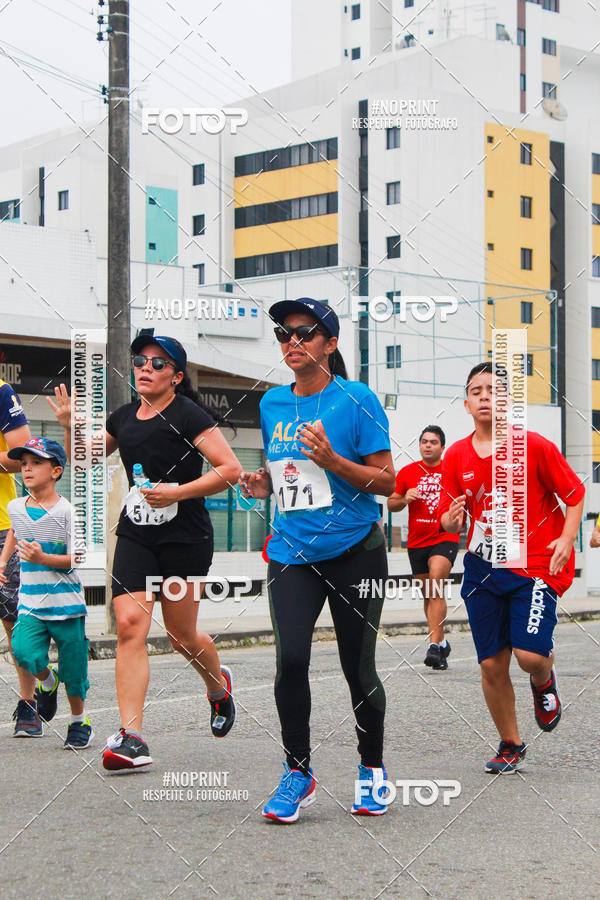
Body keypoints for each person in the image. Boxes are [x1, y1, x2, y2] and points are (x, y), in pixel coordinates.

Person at [48, 332, 242, 770]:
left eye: (158, 363)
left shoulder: (188, 415)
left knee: (181, 636)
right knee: (130, 625)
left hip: (185, 538)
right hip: (137, 534)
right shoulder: (122, 417)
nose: (145, 369)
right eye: (140, 361)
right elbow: (85, 459)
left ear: (176, 376)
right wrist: (70, 425)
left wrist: (177, 492)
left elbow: (230, 469)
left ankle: (217, 686)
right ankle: (131, 737)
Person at [239, 298, 395, 822]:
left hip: (356, 553)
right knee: (290, 661)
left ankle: (371, 769)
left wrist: (333, 461)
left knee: (357, 667)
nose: (292, 342)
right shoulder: (272, 404)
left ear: (329, 343)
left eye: (304, 332)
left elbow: (388, 481)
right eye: (284, 333)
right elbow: (285, 475)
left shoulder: (357, 399)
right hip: (291, 554)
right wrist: (263, 485)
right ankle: (297, 772)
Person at [439, 362, 585, 774]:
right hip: (483, 568)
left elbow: (575, 493)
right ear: (466, 404)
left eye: (494, 390)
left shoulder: (533, 446)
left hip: (534, 565)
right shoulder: (456, 455)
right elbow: (449, 521)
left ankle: (544, 677)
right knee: (491, 664)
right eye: (477, 391)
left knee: (529, 656)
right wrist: (451, 519)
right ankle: (510, 743)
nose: (485, 396)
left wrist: (567, 538)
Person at [0, 437, 92, 747]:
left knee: (74, 671)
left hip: (66, 606)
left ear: (55, 471)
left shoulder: (67, 512)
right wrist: (2, 560)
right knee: (23, 651)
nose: (27, 469)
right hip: (30, 603)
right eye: (24, 463)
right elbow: (14, 531)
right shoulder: (15, 507)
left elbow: (78, 558)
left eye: (36, 463)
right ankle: (48, 682)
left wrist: (44, 559)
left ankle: (79, 721)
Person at [387, 425, 459, 670]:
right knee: (429, 594)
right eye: (424, 441)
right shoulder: (408, 472)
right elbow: (391, 504)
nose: (428, 445)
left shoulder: (452, 472)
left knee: (436, 583)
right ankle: (442, 642)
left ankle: (434, 646)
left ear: (442, 447)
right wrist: (404, 498)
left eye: (433, 442)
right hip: (417, 542)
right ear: (419, 445)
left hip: (444, 537)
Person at [0, 376, 38, 735]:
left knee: (12, 616)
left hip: (0, 526)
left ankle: (29, 701)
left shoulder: (1, 391)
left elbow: (22, 456)